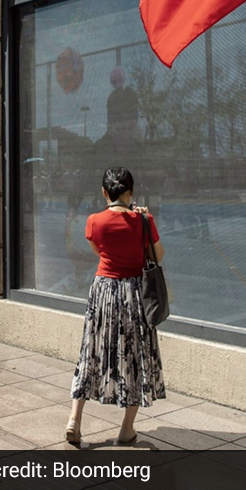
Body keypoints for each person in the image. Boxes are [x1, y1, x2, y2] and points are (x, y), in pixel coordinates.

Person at [65, 166, 165, 447]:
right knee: (134, 357)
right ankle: (126, 429)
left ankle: (74, 420)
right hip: (133, 292)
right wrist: (141, 218)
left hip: (103, 292)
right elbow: (158, 255)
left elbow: (98, 251)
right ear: (132, 191)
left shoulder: (94, 221)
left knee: (90, 352)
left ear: (104, 192)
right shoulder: (144, 220)